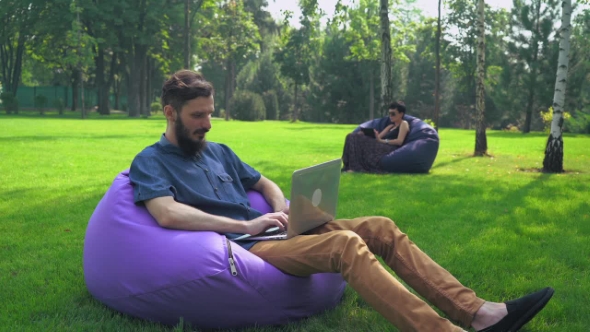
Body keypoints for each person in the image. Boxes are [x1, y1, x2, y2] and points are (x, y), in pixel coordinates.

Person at [129, 70, 554, 332]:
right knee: (346, 244)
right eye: (197, 116)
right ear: (169, 113)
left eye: (210, 113)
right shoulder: (151, 161)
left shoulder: (218, 150)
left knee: (381, 227)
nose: (207, 123)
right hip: (249, 247)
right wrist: (248, 226)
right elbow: (166, 214)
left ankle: (478, 312)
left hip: (279, 233)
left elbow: (264, 182)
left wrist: (286, 210)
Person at [341, 102, 410, 173]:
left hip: (391, 148)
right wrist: (367, 134)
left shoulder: (404, 123)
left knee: (355, 138)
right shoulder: (390, 126)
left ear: (401, 114)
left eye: (393, 114)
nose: (390, 116)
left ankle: (355, 168)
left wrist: (382, 141)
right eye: (389, 113)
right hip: (381, 145)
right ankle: (348, 166)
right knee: (351, 136)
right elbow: (378, 138)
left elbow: (399, 141)